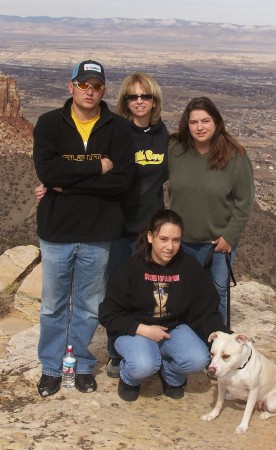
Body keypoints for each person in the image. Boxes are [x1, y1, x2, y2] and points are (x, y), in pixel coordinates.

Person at [33, 59, 134, 397]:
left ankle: (82, 365)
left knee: (90, 305)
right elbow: (48, 173)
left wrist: (69, 181)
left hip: (98, 232)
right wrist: (97, 165)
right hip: (57, 232)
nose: (90, 91)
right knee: (53, 305)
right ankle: (51, 367)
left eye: (96, 86)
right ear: (70, 86)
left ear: (104, 90)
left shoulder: (118, 128)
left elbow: (122, 180)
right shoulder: (49, 124)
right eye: (84, 85)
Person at [98, 209, 231, 402]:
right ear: (151, 237)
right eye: (164, 239)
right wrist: (143, 329)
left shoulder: (188, 266)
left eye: (176, 240)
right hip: (135, 330)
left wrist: (225, 336)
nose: (170, 246)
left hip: (173, 329)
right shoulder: (130, 268)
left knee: (198, 359)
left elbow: (205, 308)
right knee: (143, 365)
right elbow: (109, 314)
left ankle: (171, 374)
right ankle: (129, 378)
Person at [168, 97, 255, 324]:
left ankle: (217, 347)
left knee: (216, 296)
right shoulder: (175, 150)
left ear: (216, 122)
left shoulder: (235, 156)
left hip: (217, 245)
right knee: (183, 295)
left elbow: (244, 201)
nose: (199, 127)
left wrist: (229, 237)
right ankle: (188, 345)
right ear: (186, 124)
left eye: (205, 121)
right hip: (180, 243)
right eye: (193, 122)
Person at [105, 72, 169, 376]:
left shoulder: (162, 133)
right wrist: (55, 186)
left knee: (149, 292)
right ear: (125, 101)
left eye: (146, 96)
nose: (139, 101)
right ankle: (116, 350)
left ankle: (147, 346)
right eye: (133, 96)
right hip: (117, 227)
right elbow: (96, 167)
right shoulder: (117, 131)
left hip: (150, 230)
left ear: (154, 100)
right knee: (117, 290)